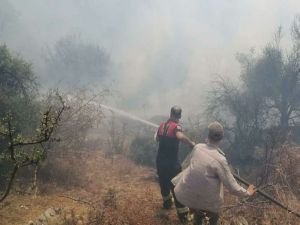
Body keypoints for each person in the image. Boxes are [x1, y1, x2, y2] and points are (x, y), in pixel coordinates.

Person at [172, 121, 256, 225]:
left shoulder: (198, 147)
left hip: (187, 195)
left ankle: (197, 220)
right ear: (221, 138)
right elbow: (232, 186)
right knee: (214, 214)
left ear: (208, 135)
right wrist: (247, 193)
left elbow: (189, 166)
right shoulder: (220, 159)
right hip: (206, 202)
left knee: (199, 210)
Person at [155, 105, 195, 223]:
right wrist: (191, 143)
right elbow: (179, 136)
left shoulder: (161, 125)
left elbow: (157, 139)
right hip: (172, 164)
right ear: (179, 116)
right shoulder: (176, 127)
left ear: (170, 114)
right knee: (177, 188)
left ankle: (167, 203)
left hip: (160, 161)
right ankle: (183, 217)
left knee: (163, 183)